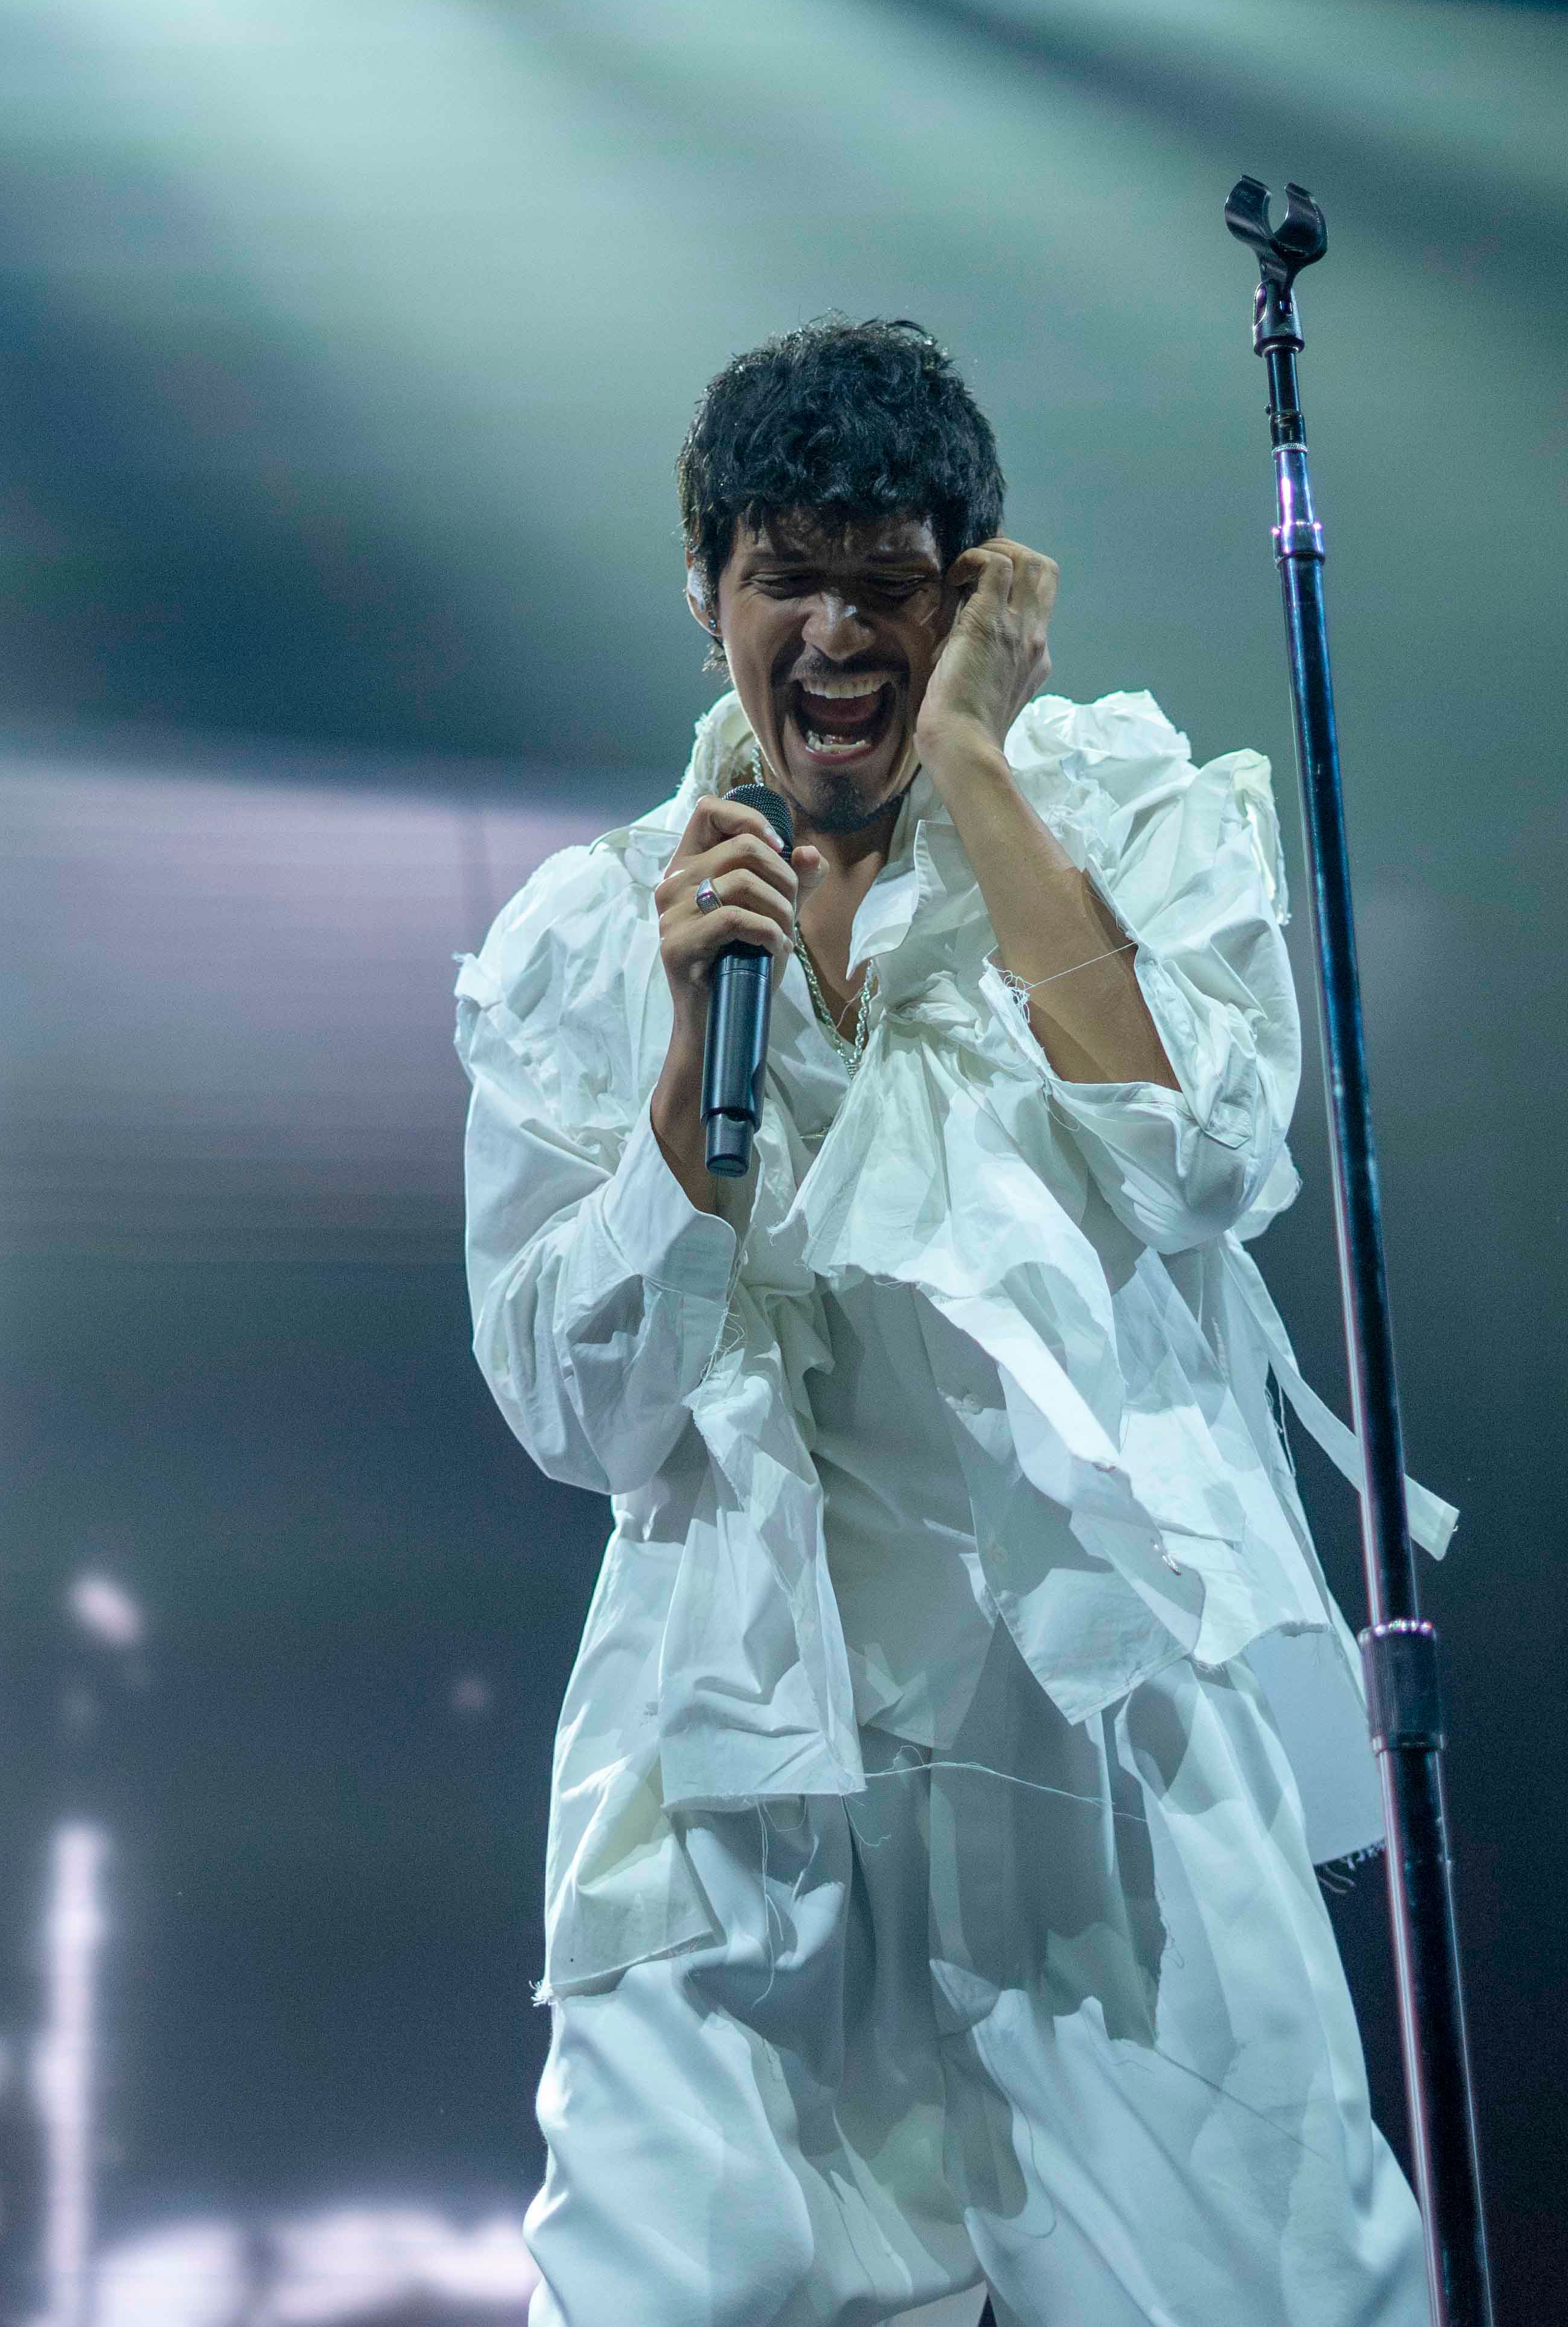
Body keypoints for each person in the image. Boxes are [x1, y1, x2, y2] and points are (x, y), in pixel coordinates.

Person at [457, 318, 1437, 2326]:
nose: (833, 633)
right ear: (708, 596)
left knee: (1265, 2292)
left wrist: (983, 771)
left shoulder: (1124, 816)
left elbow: (1201, 1154)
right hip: (738, 1755)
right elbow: (574, 1406)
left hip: (1091, 1743)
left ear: (976, 594)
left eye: (884, 582)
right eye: (783, 578)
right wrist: (684, 1077)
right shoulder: (602, 927)